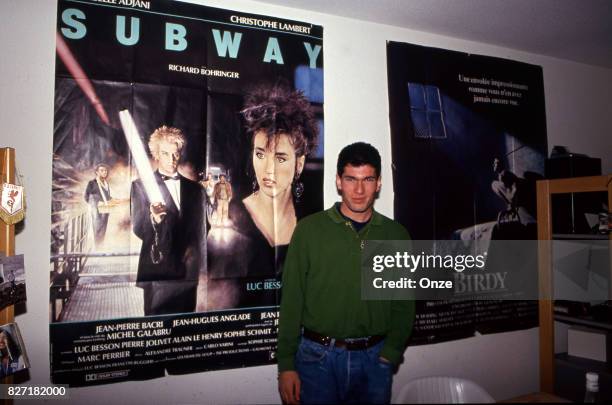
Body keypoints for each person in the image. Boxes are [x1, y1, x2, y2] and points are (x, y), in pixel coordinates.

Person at [277, 142, 415, 404]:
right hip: (316, 360)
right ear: (339, 181)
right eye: (351, 179)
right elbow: (292, 301)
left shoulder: (395, 235)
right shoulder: (309, 231)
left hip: (375, 360)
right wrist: (286, 364)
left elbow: (404, 303)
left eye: (368, 179)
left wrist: (391, 352)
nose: (360, 190)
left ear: (379, 183)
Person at [206, 84, 319, 309]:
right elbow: (213, 315)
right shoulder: (230, 224)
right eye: (260, 154)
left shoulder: (313, 222)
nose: (269, 170)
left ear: (299, 164)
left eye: (280, 158)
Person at [130, 126, 205, 316]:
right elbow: (138, 228)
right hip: (157, 270)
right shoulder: (140, 186)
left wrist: (193, 254)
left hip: (187, 272)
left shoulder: (196, 190)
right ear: (156, 154)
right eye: (165, 153)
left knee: (184, 328)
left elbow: (204, 228)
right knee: (156, 331)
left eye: (175, 153)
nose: (171, 159)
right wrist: (154, 219)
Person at [84, 163, 112, 247]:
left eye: (105, 170)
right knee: (96, 226)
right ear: (97, 172)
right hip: (96, 208)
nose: (104, 172)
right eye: (102, 170)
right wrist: (94, 205)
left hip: (105, 209)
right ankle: (97, 246)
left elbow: (107, 196)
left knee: (103, 227)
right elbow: (86, 196)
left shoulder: (106, 183)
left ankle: (101, 245)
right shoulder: (92, 183)